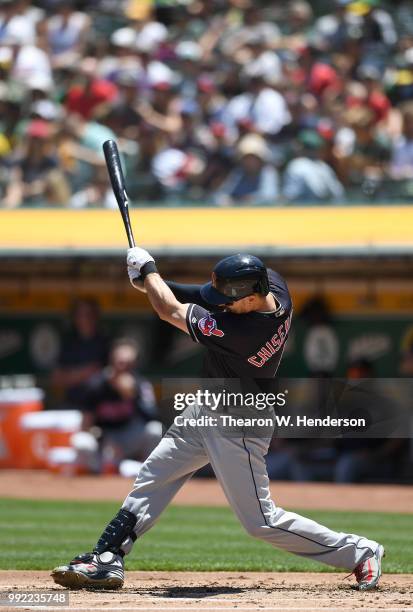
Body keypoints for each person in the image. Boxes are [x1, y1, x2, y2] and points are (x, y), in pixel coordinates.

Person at [51, 252, 384, 591]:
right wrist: (153, 283)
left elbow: (169, 310)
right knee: (153, 475)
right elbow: (204, 294)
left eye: (230, 301)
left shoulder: (243, 332)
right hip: (207, 408)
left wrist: (151, 274)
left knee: (260, 521)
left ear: (252, 299)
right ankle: (108, 557)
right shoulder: (275, 287)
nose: (222, 305)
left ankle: (360, 551)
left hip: (238, 422)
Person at [78, 337, 162, 472]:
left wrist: (134, 396)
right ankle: (95, 479)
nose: (124, 368)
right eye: (120, 363)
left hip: (130, 436)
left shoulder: (140, 384)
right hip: (106, 439)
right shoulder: (96, 384)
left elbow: (153, 416)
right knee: (81, 442)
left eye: (129, 364)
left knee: (155, 430)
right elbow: (86, 425)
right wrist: (102, 439)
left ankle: (148, 473)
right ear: (112, 361)